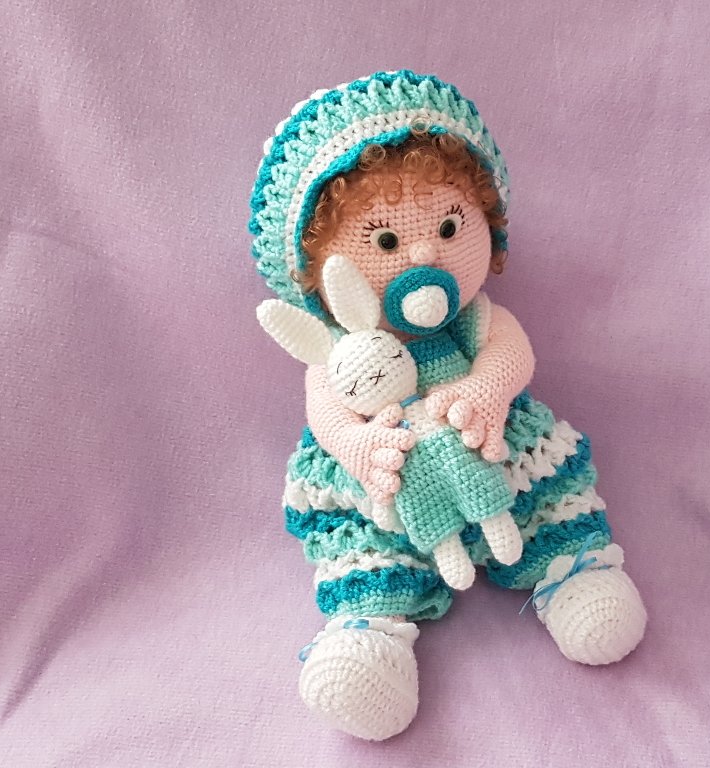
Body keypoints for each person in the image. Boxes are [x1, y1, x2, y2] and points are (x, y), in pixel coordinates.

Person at [249, 70, 647, 741]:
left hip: (487, 442)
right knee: (370, 544)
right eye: (385, 241)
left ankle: (572, 573)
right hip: (390, 475)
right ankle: (370, 634)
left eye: (449, 225)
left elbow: (510, 353)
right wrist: (360, 448)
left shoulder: (475, 318)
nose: (425, 253)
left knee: (544, 500)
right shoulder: (339, 352)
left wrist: (484, 390)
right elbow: (328, 412)